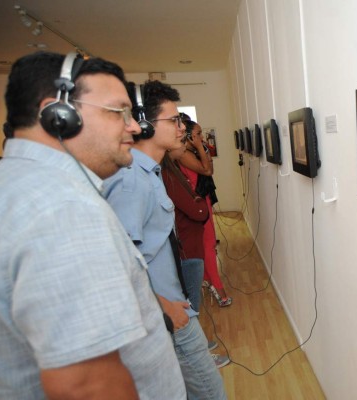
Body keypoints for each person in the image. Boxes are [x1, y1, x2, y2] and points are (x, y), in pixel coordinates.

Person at [0, 51, 186, 399]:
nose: (133, 126)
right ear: (59, 115)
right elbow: (86, 385)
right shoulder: (64, 208)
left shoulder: (14, 184)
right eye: (119, 112)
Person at [103, 80, 227, 399]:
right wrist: (165, 309)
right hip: (165, 316)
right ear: (144, 124)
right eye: (173, 120)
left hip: (174, 309)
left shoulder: (151, 174)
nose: (181, 127)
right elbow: (118, 264)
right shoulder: (131, 182)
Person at [162, 145, 231, 368]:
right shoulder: (167, 172)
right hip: (185, 248)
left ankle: (198, 346)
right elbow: (197, 209)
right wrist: (200, 206)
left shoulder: (167, 169)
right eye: (175, 124)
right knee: (190, 305)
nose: (181, 137)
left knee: (191, 303)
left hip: (186, 244)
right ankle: (199, 357)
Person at [179, 120, 232, 307]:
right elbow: (207, 170)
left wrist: (202, 149)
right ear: (188, 136)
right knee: (208, 246)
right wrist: (201, 147)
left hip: (204, 201)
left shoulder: (192, 152)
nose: (202, 137)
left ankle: (210, 282)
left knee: (208, 245)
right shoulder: (184, 154)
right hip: (197, 203)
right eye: (198, 134)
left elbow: (211, 169)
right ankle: (219, 289)